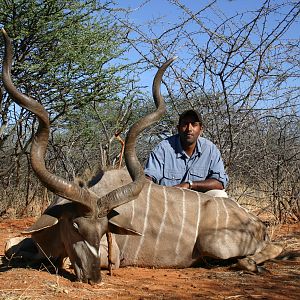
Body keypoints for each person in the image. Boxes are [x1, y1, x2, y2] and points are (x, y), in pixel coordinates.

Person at [144, 109, 229, 197]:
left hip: (199, 201)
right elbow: (149, 178)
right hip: (168, 199)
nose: (189, 129)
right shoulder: (163, 148)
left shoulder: (210, 149)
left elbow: (220, 182)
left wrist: (189, 185)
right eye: (185, 124)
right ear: (178, 128)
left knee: (220, 195)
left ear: (201, 129)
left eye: (194, 124)